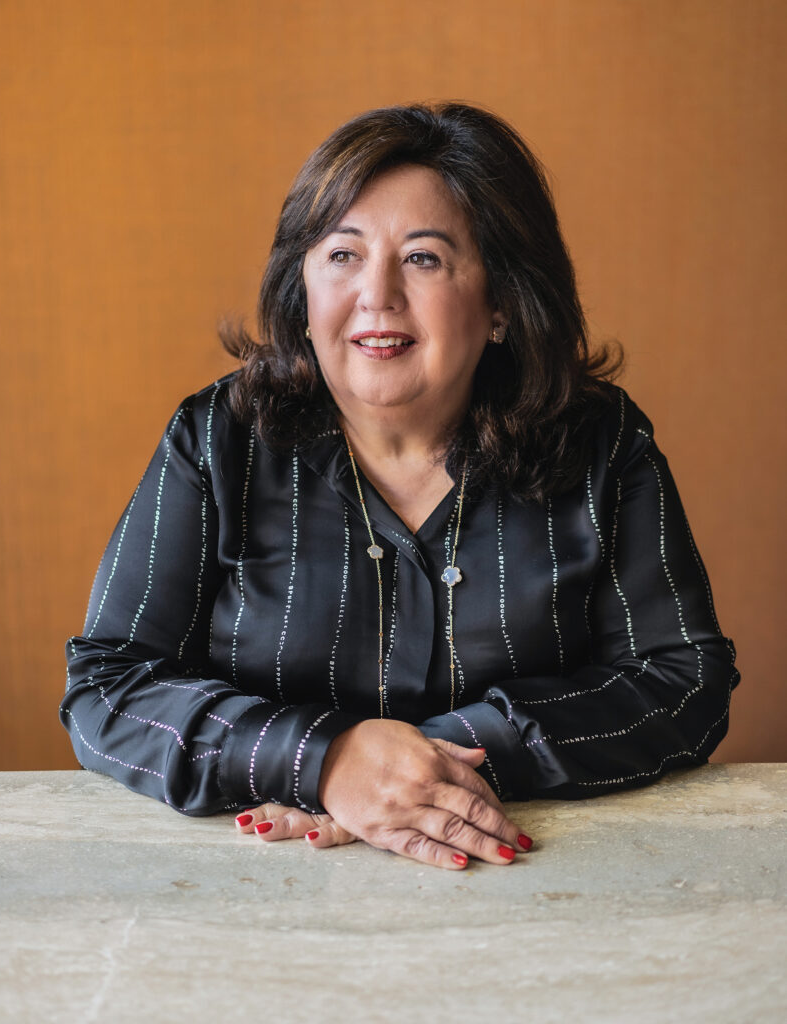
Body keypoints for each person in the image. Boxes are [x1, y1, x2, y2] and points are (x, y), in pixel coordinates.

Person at [61, 102, 738, 871]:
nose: (375, 294)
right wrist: (325, 760)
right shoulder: (219, 439)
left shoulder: (600, 442)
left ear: (502, 304)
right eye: (342, 255)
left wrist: (418, 767)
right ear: (303, 289)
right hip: (261, 890)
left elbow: (685, 680)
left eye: (423, 258)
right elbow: (106, 690)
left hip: (540, 878)